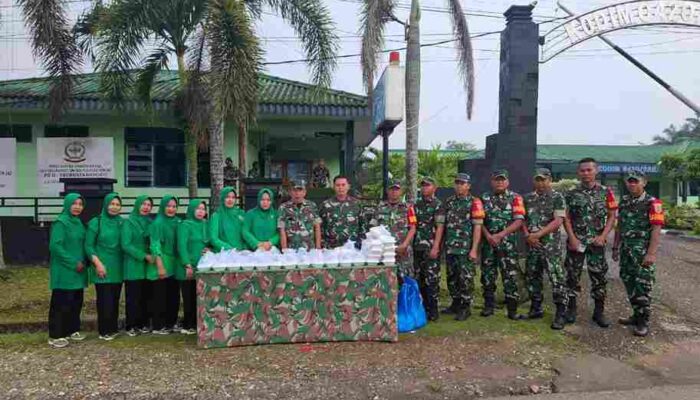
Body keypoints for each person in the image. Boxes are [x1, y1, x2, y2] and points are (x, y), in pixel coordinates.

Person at [563, 158, 618, 327]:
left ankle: (598, 313)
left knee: (599, 278)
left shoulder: (606, 192)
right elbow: (566, 217)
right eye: (582, 170)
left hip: (597, 243)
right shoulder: (570, 193)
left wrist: (603, 236)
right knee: (572, 277)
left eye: (589, 170)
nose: (586, 173)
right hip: (576, 242)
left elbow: (612, 216)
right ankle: (571, 310)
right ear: (578, 173)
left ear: (596, 171)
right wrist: (571, 237)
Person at [612, 170, 664, 337]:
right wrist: (615, 247)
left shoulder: (653, 203)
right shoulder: (625, 201)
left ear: (644, 182)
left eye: (636, 181)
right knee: (629, 282)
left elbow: (656, 229)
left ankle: (643, 321)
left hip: (642, 253)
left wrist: (651, 253)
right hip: (626, 251)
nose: (632, 184)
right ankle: (636, 315)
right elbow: (619, 226)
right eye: (630, 181)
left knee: (643, 285)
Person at [522, 168, 568, 330]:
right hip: (532, 246)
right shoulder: (527, 198)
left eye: (543, 180)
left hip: (550, 247)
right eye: (537, 180)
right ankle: (536, 309)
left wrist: (538, 234)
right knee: (532, 277)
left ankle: (561, 313)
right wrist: (528, 236)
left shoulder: (557, 197)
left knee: (557, 279)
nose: (540, 183)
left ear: (550, 180)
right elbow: (522, 220)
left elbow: (558, 221)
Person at [481, 169, 526, 320]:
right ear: (491, 181)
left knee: (510, 276)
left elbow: (519, 221)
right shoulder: (484, 198)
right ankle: (488, 306)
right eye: (496, 179)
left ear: (507, 182)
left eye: (502, 179)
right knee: (488, 275)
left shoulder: (516, 198)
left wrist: (500, 235)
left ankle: (512, 310)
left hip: (508, 245)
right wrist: (488, 235)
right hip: (488, 244)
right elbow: (479, 221)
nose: (499, 182)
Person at [441, 173, 485, 321]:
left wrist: (474, 249)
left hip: (465, 249)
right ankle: (455, 303)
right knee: (452, 277)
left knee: (465, 278)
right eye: (457, 183)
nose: (459, 185)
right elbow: (443, 225)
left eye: (462, 183)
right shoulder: (449, 202)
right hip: (450, 247)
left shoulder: (475, 202)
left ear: (468, 186)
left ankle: (466, 307)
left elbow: (478, 227)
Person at [48, 193, 87, 348]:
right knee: (61, 302)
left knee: (76, 301)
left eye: (80, 204)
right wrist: (73, 262)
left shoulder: (78, 223)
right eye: (74, 203)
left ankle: (72, 330)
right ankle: (55, 335)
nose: (77, 207)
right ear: (67, 204)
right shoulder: (61, 223)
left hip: (79, 270)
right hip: (65, 270)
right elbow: (55, 246)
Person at [85, 192, 124, 341]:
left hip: (118, 266)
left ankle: (113, 329)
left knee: (115, 298)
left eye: (117, 204)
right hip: (101, 265)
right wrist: (98, 264)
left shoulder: (122, 222)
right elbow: (88, 246)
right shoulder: (96, 222)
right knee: (104, 299)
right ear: (106, 205)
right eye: (112, 204)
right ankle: (104, 330)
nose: (114, 207)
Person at [413, 176, 445, 321]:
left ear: (434, 188)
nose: (424, 188)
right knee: (419, 279)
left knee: (431, 279)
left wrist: (436, 247)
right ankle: (423, 308)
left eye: (428, 186)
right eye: (423, 186)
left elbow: (440, 227)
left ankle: (433, 310)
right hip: (417, 248)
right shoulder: (416, 205)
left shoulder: (438, 205)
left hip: (431, 248)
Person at [370, 180, 417, 279]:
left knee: (405, 279)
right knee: (385, 279)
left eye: (396, 189)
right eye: (392, 189)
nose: (394, 192)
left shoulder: (408, 208)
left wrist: (404, 245)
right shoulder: (379, 208)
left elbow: (412, 228)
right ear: (387, 191)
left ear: (400, 191)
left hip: (403, 250)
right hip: (384, 251)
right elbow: (373, 229)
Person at [121, 195, 154, 336]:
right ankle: (131, 326)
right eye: (143, 204)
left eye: (149, 205)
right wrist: (143, 256)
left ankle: (144, 324)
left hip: (148, 265)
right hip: (133, 264)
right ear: (137, 205)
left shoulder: (150, 222)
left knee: (146, 296)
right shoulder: (128, 223)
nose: (146, 207)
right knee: (133, 297)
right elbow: (125, 244)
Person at [177, 199, 210, 335]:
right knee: (189, 296)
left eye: (203, 209)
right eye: (198, 208)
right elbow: (181, 246)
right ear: (191, 210)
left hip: (203, 266)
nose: (200, 211)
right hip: (188, 266)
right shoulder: (185, 225)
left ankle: (199, 324)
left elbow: (210, 241)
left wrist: (209, 249)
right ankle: (188, 324)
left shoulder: (206, 224)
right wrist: (187, 264)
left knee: (201, 297)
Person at [149, 195, 181, 334]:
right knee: (160, 296)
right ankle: (158, 326)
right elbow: (155, 244)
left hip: (175, 263)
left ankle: (171, 323)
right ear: (162, 207)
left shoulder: (178, 222)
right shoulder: (157, 223)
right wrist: (160, 265)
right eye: (168, 206)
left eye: (174, 206)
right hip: (162, 261)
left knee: (173, 295)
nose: (171, 209)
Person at [319, 175, 362, 249]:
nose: (340, 188)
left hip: (352, 247)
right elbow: (320, 226)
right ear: (333, 187)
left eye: (343, 185)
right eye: (337, 185)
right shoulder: (325, 205)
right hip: (331, 247)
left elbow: (363, 225)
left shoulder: (357, 204)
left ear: (348, 186)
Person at [278, 179, 322, 250]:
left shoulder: (312, 206)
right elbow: (282, 230)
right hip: (291, 251)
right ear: (290, 192)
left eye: (300, 190)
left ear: (304, 192)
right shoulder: (283, 207)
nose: (297, 193)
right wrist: (284, 250)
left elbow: (317, 227)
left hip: (310, 250)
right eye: (294, 190)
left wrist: (318, 247)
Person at [210, 187, 245, 251]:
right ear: (223, 198)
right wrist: (230, 249)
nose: (230, 200)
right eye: (227, 197)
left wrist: (243, 248)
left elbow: (246, 233)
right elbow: (214, 238)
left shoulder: (241, 214)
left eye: (233, 197)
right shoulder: (216, 216)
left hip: (241, 252)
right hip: (223, 253)